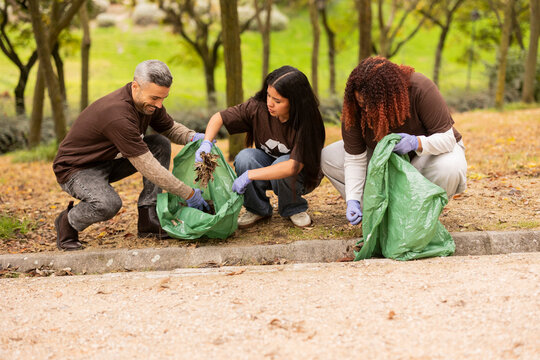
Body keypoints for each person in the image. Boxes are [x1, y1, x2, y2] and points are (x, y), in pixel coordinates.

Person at [53, 60, 209, 251]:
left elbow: (170, 128)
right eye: (155, 98)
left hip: (108, 160)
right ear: (135, 86)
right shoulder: (118, 115)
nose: (159, 105)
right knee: (108, 204)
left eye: (163, 98)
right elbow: (148, 167)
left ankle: (148, 218)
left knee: (159, 144)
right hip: (77, 170)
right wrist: (189, 193)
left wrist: (195, 138)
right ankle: (67, 223)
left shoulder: (148, 104)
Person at [321, 56, 467, 226]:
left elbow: (447, 139)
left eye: (371, 104)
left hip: (426, 158)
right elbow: (355, 159)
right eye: (361, 103)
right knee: (329, 157)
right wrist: (353, 199)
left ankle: (422, 217)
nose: (366, 109)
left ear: (389, 97)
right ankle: (376, 213)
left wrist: (416, 143)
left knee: (449, 167)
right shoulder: (354, 109)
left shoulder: (420, 88)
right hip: (384, 161)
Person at [194, 65, 326, 228]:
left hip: (300, 175)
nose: (270, 103)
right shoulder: (258, 107)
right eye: (268, 95)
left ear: (295, 102)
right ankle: (257, 209)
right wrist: (206, 143)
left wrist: (250, 175)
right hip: (268, 164)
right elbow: (219, 117)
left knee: (282, 163)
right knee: (245, 157)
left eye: (277, 101)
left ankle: (293, 207)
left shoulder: (308, 122)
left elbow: (293, 166)